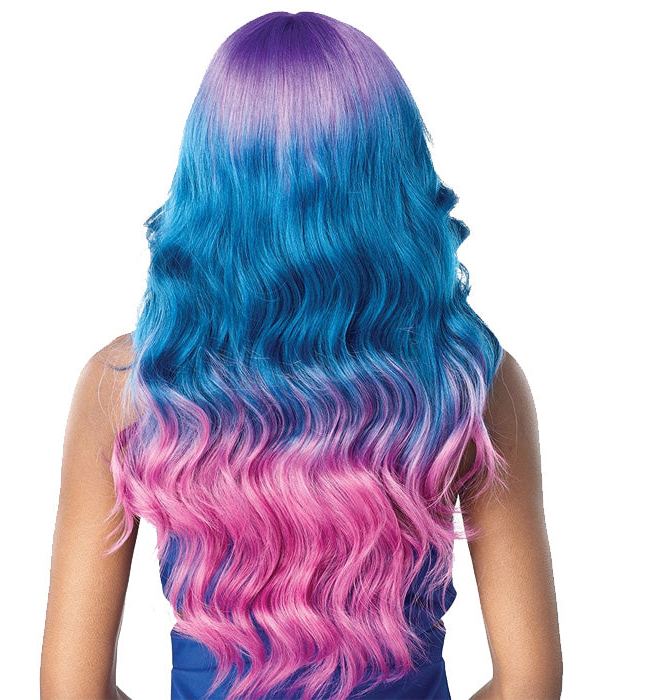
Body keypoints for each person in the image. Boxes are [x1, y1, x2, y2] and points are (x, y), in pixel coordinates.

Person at [41, 11, 562, 700]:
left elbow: (70, 690)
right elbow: (529, 682)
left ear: (210, 178)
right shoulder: (470, 381)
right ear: (391, 175)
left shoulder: (133, 386)